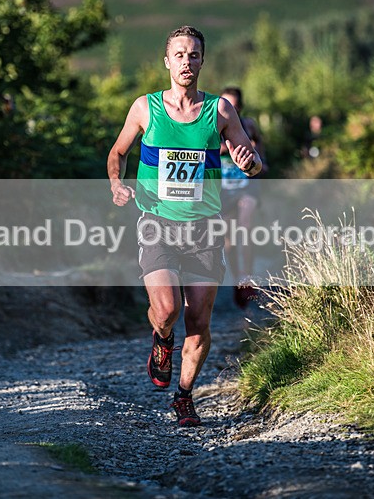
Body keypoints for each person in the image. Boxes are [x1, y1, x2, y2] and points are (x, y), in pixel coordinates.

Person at [107, 25, 262, 426]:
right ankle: (161, 340)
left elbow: (252, 161)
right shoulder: (145, 108)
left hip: (205, 229)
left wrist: (250, 163)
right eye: (180, 54)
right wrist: (116, 181)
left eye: (194, 55)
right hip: (157, 221)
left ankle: (184, 396)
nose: (187, 62)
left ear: (202, 61)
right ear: (167, 61)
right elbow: (118, 151)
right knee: (167, 310)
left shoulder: (221, 111)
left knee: (199, 322)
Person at [218, 87, 266, 309]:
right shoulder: (214, 125)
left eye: (235, 106)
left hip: (247, 186)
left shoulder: (249, 125)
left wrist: (259, 160)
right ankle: (238, 280)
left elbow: (260, 151)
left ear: (240, 106)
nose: (231, 110)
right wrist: (227, 149)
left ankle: (247, 279)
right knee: (229, 242)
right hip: (224, 189)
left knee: (246, 227)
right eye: (227, 105)